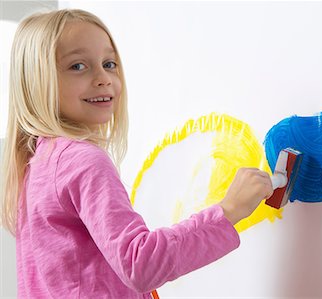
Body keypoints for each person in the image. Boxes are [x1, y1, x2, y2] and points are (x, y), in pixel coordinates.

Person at [0, 9, 273, 298]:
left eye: (109, 63)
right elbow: (138, 264)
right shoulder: (82, 162)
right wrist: (228, 211)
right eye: (78, 66)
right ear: (37, 81)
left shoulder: (38, 164)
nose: (103, 78)